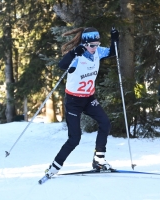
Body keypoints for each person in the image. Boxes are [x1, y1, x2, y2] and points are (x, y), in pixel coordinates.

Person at [45, 27, 119, 178]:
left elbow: (113, 52)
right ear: (84, 44)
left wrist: (115, 38)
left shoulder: (97, 52)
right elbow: (62, 65)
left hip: (89, 98)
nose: (95, 48)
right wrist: (73, 53)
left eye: (97, 44)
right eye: (92, 45)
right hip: (73, 101)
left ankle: (99, 160)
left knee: (105, 122)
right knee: (75, 138)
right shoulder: (77, 56)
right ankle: (54, 166)